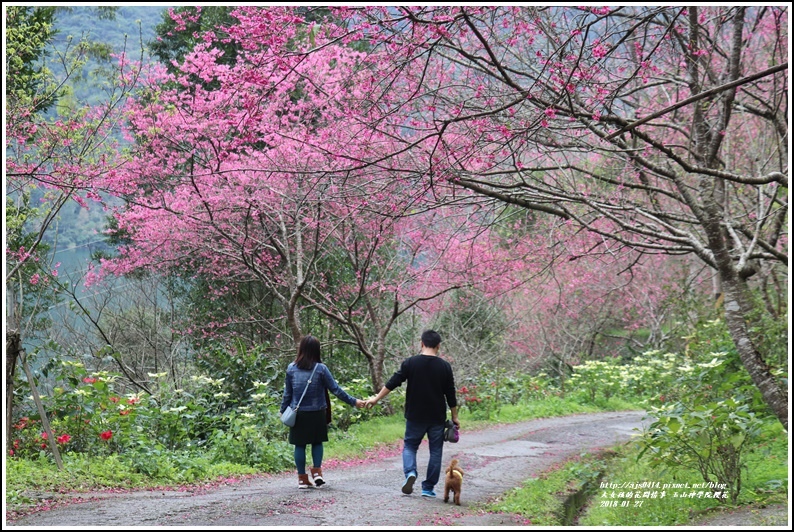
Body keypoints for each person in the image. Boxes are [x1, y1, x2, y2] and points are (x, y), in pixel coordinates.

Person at [365, 329, 459, 498]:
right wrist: (455, 417)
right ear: (438, 346)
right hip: (437, 417)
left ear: (421, 343)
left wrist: (376, 399)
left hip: (415, 415)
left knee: (410, 446)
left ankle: (410, 473)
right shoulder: (445, 366)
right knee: (436, 451)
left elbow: (393, 382)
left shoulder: (411, 363)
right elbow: (450, 393)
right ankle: (428, 488)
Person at [280, 335, 366, 489]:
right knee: (316, 442)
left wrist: (283, 410)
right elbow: (336, 390)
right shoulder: (321, 369)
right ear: (316, 351)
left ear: (301, 349)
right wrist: (354, 401)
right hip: (317, 412)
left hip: (298, 413)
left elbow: (288, 393)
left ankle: (302, 479)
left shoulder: (291, 368)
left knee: (299, 445)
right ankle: (317, 473)